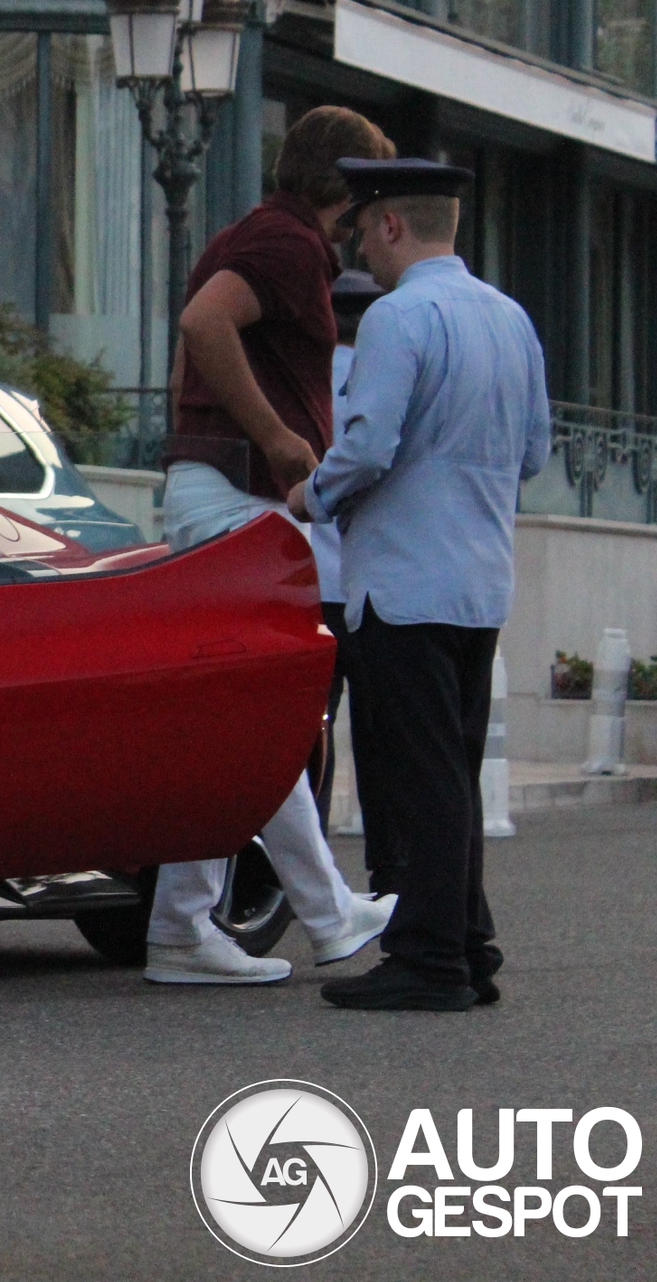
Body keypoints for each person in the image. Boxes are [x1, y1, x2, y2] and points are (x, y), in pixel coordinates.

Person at [142, 106, 397, 987]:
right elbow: (204, 325)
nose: (371, 217)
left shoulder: (256, 238)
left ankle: (184, 923)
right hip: (237, 497)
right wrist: (281, 438)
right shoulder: (287, 247)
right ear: (341, 185)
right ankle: (325, 915)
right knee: (255, 717)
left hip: (213, 489)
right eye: (368, 192)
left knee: (228, 721)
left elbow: (199, 338)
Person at [290, 158, 551, 1012]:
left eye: (365, 228)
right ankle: (467, 942)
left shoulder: (401, 318)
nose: (363, 242)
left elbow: (366, 446)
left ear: (392, 225)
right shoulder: (510, 319)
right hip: (480, 582)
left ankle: (431, 957)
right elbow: (535, 454)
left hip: (402, 584)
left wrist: (311, 494)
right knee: (455, 770)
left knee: (419, 778)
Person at [314, 268, 399, 894]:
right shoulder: (384, 376)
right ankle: (387, 870)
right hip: (368, 581)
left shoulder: (308, 381)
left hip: (313, 580)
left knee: (312, 730)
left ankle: (308, 860)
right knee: (379, 733)